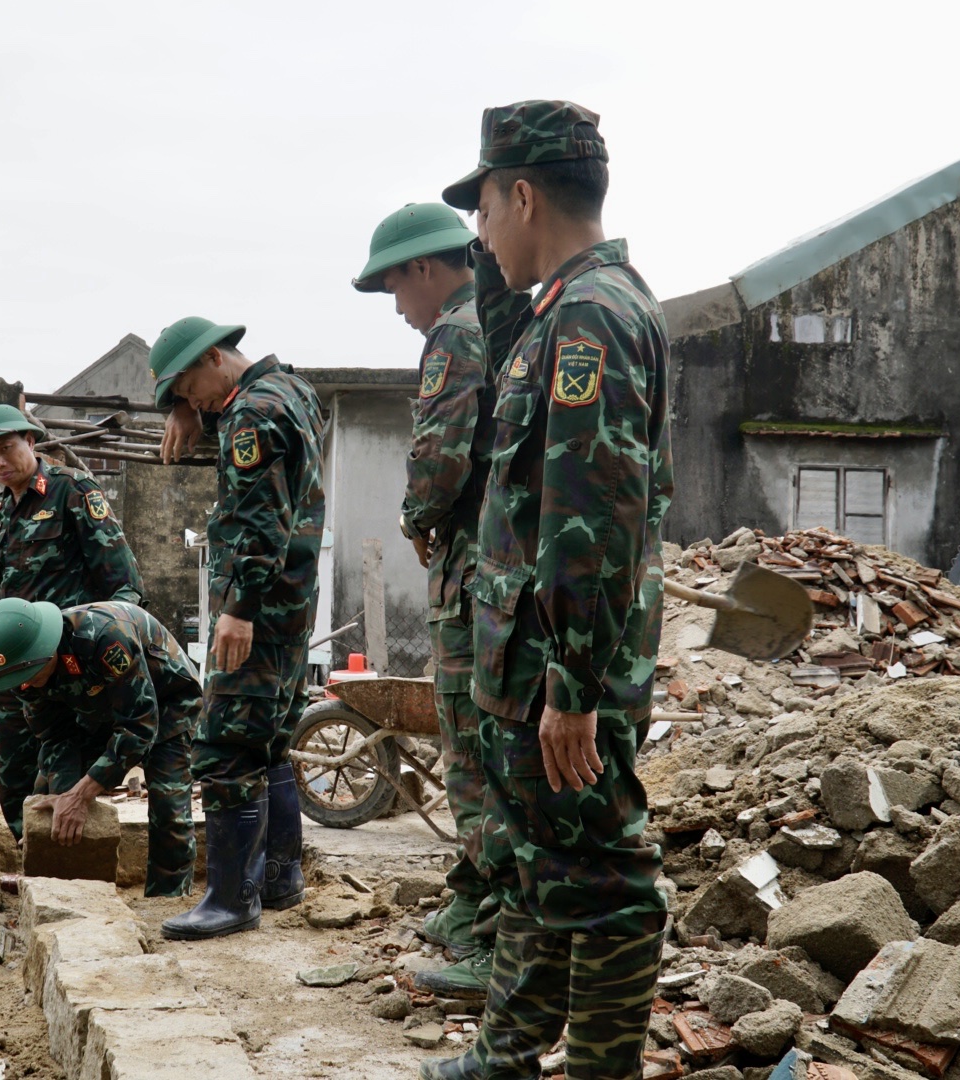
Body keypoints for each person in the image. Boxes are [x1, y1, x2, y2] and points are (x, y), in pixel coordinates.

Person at [419, 101, 674, 1080]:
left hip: (565, 671)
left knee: (605, 880)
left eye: (483, 210)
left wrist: (572, 682)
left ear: (523, 196)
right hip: (531, 660)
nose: (475, 234)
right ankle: (507, 1054)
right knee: (539, 868)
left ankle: (595, 1066)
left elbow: (591, 516)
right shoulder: (558, 309)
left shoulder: (589, 322)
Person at [349, 202, 500, 999]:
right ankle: (474, 900)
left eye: (394, 290)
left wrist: (416, 516)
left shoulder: (457, 331)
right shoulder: (497, 322)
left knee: (475, 752)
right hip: (485, 569)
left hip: (476, 570)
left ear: (424, 269)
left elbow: (441, 450)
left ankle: (493, 941)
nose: (399, 310)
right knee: (470, 747)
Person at [148, 317, 325, 940]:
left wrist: (238, 608)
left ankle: (230, 898)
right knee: (270, 740)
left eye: (188, 388)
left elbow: (259, 516)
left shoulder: (250, 417)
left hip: (259, 606)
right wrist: (198, 414)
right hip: (293, 603)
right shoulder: (289, 392)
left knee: (223, 745)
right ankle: (279, 878)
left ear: (216, 358)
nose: (187, 403)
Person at [0, 403, 144, 841]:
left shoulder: (74, 491)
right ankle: (28, 859)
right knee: (15, 778)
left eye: (6, 450)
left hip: (71, 668)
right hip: (17, 670)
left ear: (31, 441)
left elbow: (125, 586)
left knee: (64, 781)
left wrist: (107, 651)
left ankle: (68, 874)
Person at [0, 597, 196, 896]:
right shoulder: (22, 671)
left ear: (46, 648)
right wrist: (65, 795)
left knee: (169, 806)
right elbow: (55, 735)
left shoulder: (104, 638)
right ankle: (57, 887)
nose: (28, 685)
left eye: (31, 675)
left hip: (167, 702)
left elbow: (139, 726)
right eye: (19, 679)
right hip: (97, 710)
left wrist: (82, 793)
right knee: (44, 794)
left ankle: (168, 897)